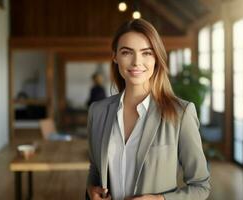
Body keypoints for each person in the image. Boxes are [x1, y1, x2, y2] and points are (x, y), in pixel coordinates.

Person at [86, 19, 210, 200]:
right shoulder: (97, 112)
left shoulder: (181, 113)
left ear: (156, 58)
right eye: (127, 52)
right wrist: (91, 188)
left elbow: (201, 186)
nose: (137, 62)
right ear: (115, 56)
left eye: (146, 53)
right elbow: (96, 168)